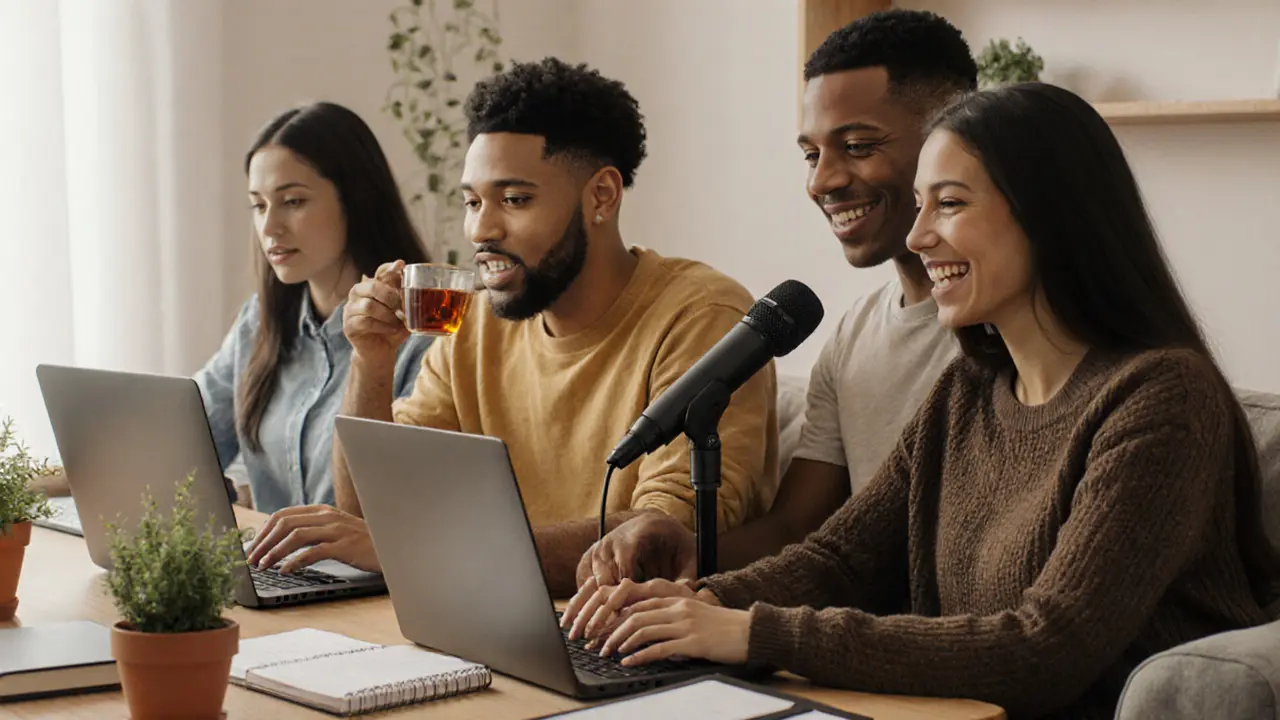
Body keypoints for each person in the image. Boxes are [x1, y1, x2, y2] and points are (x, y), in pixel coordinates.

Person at [564, 83, 1280, 719]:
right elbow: (841, 558)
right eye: (918, 205)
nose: (916, 236)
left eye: (951, 204)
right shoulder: (967, 392)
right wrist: (704, 603)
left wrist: (753, 633)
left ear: (1050, 216)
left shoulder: (1161, 399)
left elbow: (1047, 647)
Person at [245, 58, 780, 596]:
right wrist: (372, 361)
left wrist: (422, 551)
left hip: (631, 634)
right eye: (472, 201)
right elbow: (370, 516)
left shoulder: (701, 316)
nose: (482, 228)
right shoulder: (476, 322)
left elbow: (659, 542)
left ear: (602, 196)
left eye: (515, 199)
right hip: (493, 612)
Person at [568, 10, 976, 591]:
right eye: (811, 155)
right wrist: (688, 554)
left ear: (952, 145)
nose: (822, 181)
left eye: (857, 146)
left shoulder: (1015, 333)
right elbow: (797, 529)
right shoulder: (854, 333)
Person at [196, 102, 433, 514]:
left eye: (293, 202)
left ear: (356, 200)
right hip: (272, 573)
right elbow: (187, 437)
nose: (270, 228)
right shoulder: (260, 322)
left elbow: (403, 507)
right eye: (259, 205)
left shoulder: (421, 336)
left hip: (373, 576)